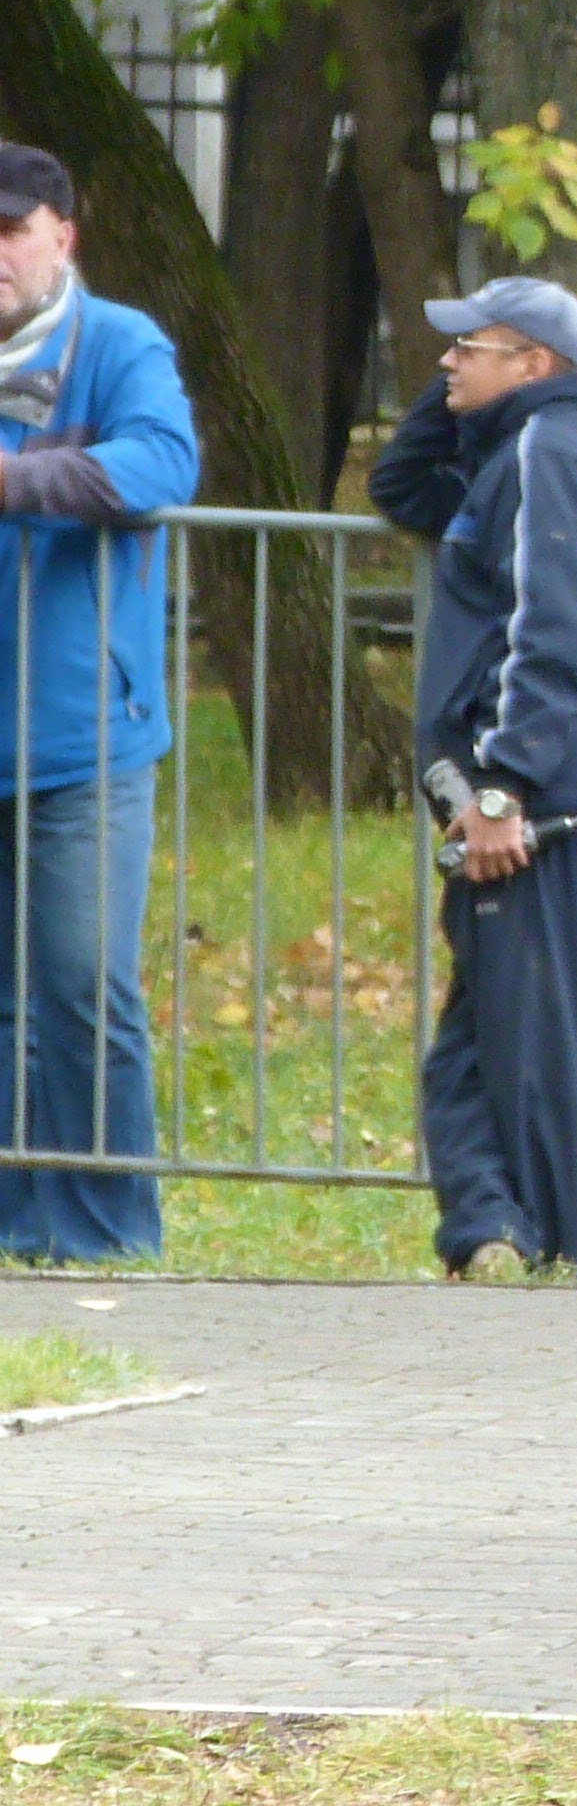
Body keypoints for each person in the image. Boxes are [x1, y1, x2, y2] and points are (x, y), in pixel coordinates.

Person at [371, 273, 577, 1281]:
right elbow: (402, 488)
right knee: (484, 1042)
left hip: (543, 804)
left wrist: (500, 793)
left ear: (533, 364)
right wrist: (459, 392)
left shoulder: (546, 458)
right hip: (537, 797)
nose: (445, 361)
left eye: (469, 347)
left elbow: (550, 638)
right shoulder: (519, 451)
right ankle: (493, 1232)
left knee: (530, 1046)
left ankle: (550, 1254)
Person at [0, 144, 199, 1266]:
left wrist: (12, 481)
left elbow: (163, 464)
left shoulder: (118, 344)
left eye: (11, 230)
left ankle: (109, 1231)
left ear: (62, 237)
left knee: (82, 985)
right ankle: (15, 1223)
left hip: (85, 738)